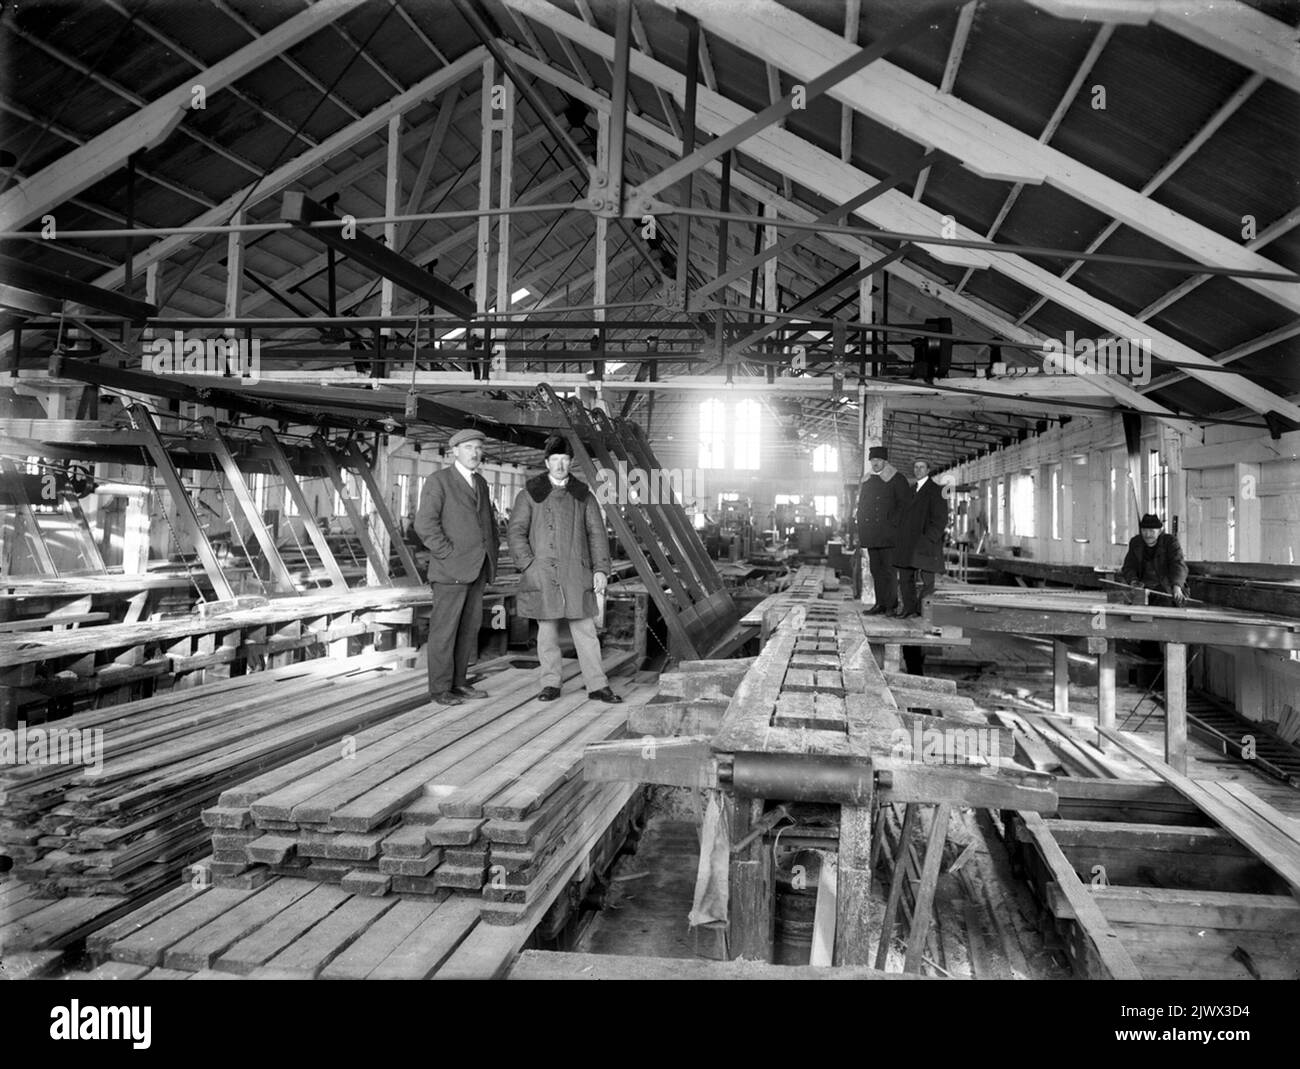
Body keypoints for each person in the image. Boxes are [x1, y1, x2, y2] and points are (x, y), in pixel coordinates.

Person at [508, 435, 622, 704]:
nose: (560, 465)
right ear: (547, 462)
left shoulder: (583, 496)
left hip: (577, 572)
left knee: (585, 631)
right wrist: (528, 565)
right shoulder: (529, 495)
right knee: (546, 632)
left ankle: (597, 685)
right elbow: (515, 532)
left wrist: (601, 570)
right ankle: (550, 683)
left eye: (565, 460)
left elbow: (597, 534)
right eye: (555, 460)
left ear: (571, 462)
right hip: (542, 573)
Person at [414, 427, 498, 704]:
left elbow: (488, 525)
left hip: (477, 569)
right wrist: (448, 554)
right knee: (444, 631)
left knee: (467, 630)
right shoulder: (439, 481)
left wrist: (490, 560)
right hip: (450, 571)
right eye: (468, 448)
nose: (475, 453)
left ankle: (460, 683)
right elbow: (424, 524)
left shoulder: (481, 483)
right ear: (454, 451)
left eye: (478, 448)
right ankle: (440, 689)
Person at [855, 446, 910, 615]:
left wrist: (893, 524)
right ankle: (879, 603)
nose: (875, 463)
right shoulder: (867, 480)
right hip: (871, 534)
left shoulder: (897, 479)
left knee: (889, 571)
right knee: (876, 570)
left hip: (889, 534)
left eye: (878, 460)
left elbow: (905, 505)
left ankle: (890, 605)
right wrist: (860, 526)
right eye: (872, 461)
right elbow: (862, 505)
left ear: (885, 461)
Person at [892, 458, 949, 618]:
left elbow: (941, 519)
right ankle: (909, 608)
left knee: (928, 580)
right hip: (908, 541)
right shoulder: (910, 491)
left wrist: (929, 538)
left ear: (928, 470)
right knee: (905, 577)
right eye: (916, 468)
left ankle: (920, 609)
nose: (918, 470)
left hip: (926, 541)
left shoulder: (937, 490)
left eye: (921, 467)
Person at [1120, 513, 1188, 605]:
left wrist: (1177, 586)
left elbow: (1178, 565)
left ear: (1160, 531)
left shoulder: (1170, 542)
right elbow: (1129, 567)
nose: (1147, 535)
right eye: (1144, 530)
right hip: (1143, 589)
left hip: (1166, 588)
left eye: (1152, 531)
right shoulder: (1136, 542)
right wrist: (1133, 581)